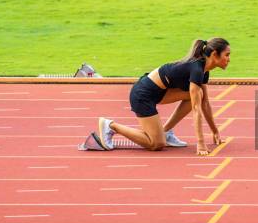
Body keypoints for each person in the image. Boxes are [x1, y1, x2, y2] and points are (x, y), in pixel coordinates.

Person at [82, 38, 230, 156]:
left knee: (200, 95)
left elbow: (205, 103)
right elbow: (196, 109)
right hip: (143, 95)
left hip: (159, 93)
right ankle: (111, 126)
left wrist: (215, 131)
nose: (229, 59)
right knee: (156, 144)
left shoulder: (204, 70)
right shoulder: (196, 69)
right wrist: (201, 143)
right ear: (215, 54)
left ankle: (166, 130)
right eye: (227, 55)